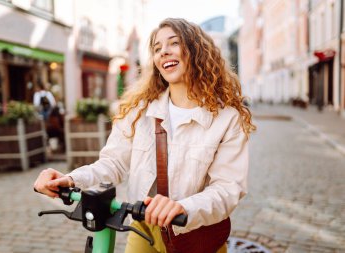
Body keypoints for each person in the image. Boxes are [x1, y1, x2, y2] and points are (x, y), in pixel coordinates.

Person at [34, 18, 256, 253]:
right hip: (143, 228)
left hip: (193, 234)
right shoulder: (140, 110)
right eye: (157, 48)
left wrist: (183, 208)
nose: (164, 52)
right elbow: (113, 163)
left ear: (197, 50)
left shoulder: (226, 118)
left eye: (174, 43)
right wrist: (69, 179)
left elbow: (227, 188)